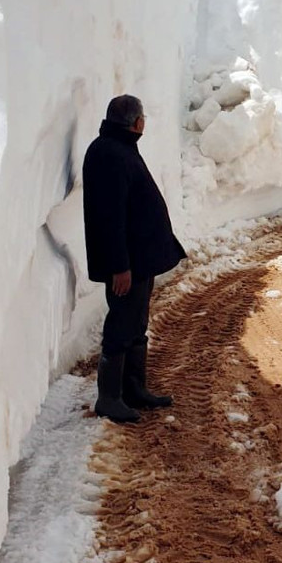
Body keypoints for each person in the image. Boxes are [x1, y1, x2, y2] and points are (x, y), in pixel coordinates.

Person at [83, 94, 185, 423]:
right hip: (128, 264)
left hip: (139, 260)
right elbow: (109, 218)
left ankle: (133, 388)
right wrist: (119, 266)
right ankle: (109, 398)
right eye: (143, 119)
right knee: (121, 325)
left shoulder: (118, 146)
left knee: (136, 323)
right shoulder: (111, 153)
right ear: (136, 122)